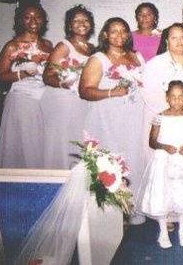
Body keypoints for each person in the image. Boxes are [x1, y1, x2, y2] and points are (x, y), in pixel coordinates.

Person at [79, 17, 146, 225]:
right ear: (105, 35)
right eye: (114, 31)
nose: (119, 35)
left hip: (134, 118)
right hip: (108, 119)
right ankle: (112, 212)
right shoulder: (98, 58)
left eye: (124, 31)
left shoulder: (135, 57)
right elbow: (84, 91)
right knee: (113, 162)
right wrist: (111, 92)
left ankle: (133, 207)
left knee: (134, 157)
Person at [137, 81, 183, 248]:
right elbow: (152, 141)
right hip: (164, 159)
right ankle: (163, 231)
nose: (177, 101)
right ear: (167, 98)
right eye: (173, 97)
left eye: (181, 97)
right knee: (162, 192)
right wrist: (164, 147)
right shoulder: (159, 117)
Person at [0, 4, 53, 168]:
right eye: (28, 17)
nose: (33, 21)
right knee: (25, 147)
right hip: (22, 100)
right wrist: (25, 72)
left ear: (43, 20)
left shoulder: (49, 45)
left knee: (42, 145)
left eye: (37, 17)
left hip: (45, 101)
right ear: (21, 20)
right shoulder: (12, 46)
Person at [40, 5, 95, 169]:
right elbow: (47, 76)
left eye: (85, 20)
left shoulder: (93, 48)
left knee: (79, 140)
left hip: (83, 101)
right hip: (63, 100)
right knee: (64, 141)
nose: (82, 23)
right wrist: (65, 83)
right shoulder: (64, 46)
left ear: (91, 25)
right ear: (69, 25)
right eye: (76, 20)